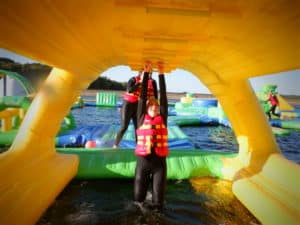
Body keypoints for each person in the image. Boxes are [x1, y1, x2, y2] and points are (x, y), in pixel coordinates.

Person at [133, 61, 168, 212]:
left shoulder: (163, 118)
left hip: (159, 166)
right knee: (138, 202)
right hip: (143, 164)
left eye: (156, 105)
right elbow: (142, 97)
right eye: (151, 105)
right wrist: (146, 73)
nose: (154, 107)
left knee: (158, 205)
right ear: (147, 108)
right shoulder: (141, 117)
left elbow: (164, 95)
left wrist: (161, 74)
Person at [113, 70, 157, 148]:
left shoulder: (152, 82)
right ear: (141, 73)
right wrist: (140, 82)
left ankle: (138, 147)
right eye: (146, 73)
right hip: (128, 105)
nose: (149, 75)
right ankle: (115, 145)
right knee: (124, 127)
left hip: (138, 107)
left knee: (139, 128)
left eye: (150, 73)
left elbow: (155, 97)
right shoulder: (133, 79)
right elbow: (129, 90)